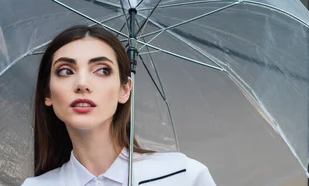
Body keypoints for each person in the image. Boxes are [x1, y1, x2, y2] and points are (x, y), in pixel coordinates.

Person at [21, 25, 216, 186]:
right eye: (65, 71)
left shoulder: (182, 176)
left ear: (125, 89)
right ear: (47, 93)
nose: (82, 84)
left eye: (102, 70)